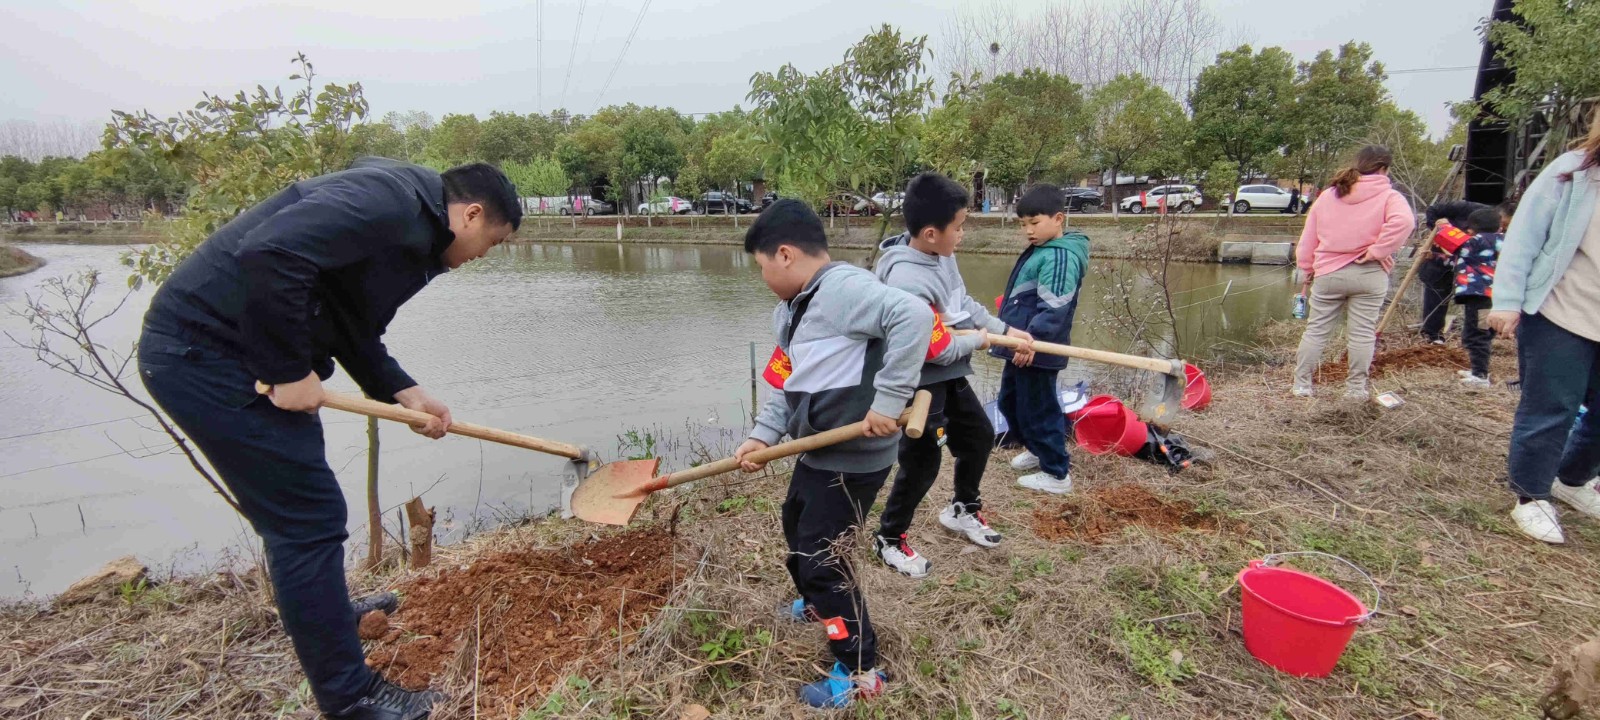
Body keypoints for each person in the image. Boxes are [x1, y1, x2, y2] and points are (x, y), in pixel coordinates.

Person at [137, 157, 521, 720]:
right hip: (207, 357)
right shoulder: (387, 202)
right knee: (306, 522)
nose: (484, 255)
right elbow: (269, 252)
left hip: (240, 356)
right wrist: (289, 369)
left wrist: (403, 391)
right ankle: (351, 698)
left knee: (309, 509)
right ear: (471, 214)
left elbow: (344, 318)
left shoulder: (413, 227)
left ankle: (330, 615)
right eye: (494, 241)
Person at [732, 199, 932, 708]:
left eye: (761, 267)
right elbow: (785, 381)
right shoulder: (792, 310)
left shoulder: (842, 290)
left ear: (784, 254)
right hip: (816, 452)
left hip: (852, 457)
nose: (763, 279)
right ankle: (819, 604)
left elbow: (912, 315)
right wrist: (763, 436)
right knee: (796, 524)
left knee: (824, 560)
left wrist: (889, 399)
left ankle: (862, 670)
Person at [870, 172, 1034, 578]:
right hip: (918, 380)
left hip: (949, 370)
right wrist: (980, 341)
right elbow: (935, 348)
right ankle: (889, 538)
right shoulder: (907, 281)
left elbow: (963, 304)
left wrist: (1005, 331)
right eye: (958, 227)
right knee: (923, 463)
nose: (962, 234)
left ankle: (963, 508)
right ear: (930, 233)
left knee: (978, 436)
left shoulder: (943, 254)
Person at [1487, 111, 1600, 545]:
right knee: (1552, 406)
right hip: (1562, 308)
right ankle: (1531, 495)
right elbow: (1524, 237)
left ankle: (1572, 479)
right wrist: (1507, 301)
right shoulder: (1571, 173)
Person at [1292, 146, 1416, 399]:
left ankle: (1301, 385)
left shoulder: (1330, 195)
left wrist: (1307, 267)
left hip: (1329, 271)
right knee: (1362, 334)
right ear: (1384, 169)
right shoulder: (1390, 196)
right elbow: (1404, 222)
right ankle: (1355, 389)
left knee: (1316, 331)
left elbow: (1309, 236)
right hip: (1369, 272)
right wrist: (1378, 251)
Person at [991, 185, 1090, 494]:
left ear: (1058, 219)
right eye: (1024, 224)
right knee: (1010, 401)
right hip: (1019, 345)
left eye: (1034, 223)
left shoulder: (1060, 256)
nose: (1028, 230)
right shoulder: (1042, 249)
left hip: (1037, 349)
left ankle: (1056, 472)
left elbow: (1054, 308)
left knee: (1039, 408)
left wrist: (1032, 341)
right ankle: (1036, 449)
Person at [1419, 199, 1492, 344]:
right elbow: (1433, 211)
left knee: (1479, 300)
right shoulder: (1465, 208)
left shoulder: (1498, 236)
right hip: (1444, 257)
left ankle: (1478, 338)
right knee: (1437, 292)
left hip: (1475, 269)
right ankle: (1432, 335)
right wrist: (1441, 229)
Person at [1452, 207, 1507, 389]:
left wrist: (1444, 226)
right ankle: (1478, 370)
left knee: (1477, 335)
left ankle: (1480, 375)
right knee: (1483, 333)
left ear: (1472, 228)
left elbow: (1451, 242)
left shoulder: (1474, 242)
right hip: (1495, 295)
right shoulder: (1505, 240)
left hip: (1480, 296)